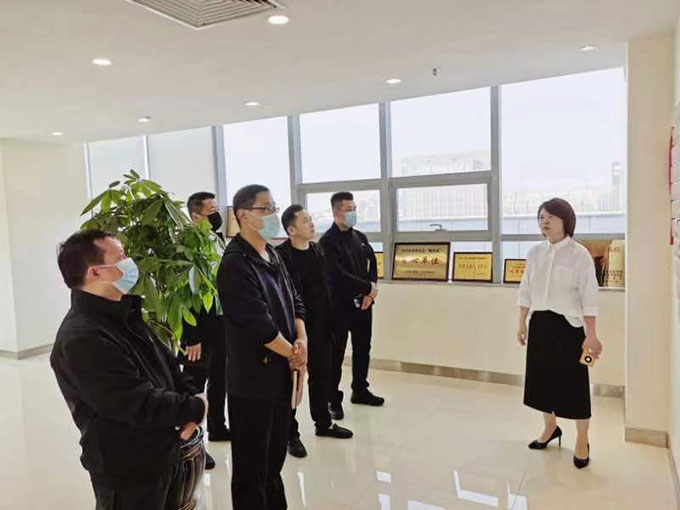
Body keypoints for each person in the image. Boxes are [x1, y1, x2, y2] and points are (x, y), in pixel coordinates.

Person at [51, 230, 207, 510]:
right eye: (121, 256)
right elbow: (135, 402)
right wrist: (195, 408)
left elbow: (168, 364)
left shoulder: (124, 313)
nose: (130, 262)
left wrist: (190, 395)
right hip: (128, 470)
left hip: (161, 453)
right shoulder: (82, 338)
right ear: (96, 272)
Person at [217, 185, 308, 510]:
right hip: (252, 383)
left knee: (273, 462)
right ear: (243, 215)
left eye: (274, 208)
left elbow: (295, 300)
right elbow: (258, 324)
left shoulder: (272, 253)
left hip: (281, 375)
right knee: (251, 469)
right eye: (265, 209)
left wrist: (301, 340)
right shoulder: (235, 264)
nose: (273, 215)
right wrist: (294, 354)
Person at [517, 198, 603, 469]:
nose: (545, 221)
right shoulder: (534, 253)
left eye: (551, 217)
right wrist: (521, 322)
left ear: (566, 221)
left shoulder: (579, 254)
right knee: (541, 382)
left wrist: (591, 335)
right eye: (541, 217)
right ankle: (550, 427)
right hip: (540, 325)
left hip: (570, 329)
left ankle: (582, 439)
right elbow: (526, 290)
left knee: (575, 386)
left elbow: (589, 297)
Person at [277, 205, 354, 458]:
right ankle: (291, 434)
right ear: (291, 230)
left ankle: (323, 423)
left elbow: (326, 287)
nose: (311, 224)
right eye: (305, 220)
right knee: (293, 383)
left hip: (322, 328)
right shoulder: (281, 257)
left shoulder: (318, 251)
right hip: (294, 331)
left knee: (321, 378)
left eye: (311, 219)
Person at [320, 191, 383, 421]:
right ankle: (332, 399)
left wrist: (370, 292)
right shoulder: (327, 242)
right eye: (349, 210)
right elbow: (337, 275)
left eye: (354, 209)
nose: (353, 213)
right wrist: (367, 287)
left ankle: (360, 389)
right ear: (336, 212)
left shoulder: (360, 237)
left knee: (363, 348)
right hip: (339, 306)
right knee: (336, 354)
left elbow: (372, 264)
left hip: (363, 304)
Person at [182, 193, 230, 469]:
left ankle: (218, 427)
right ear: (196, 215)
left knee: (220, 378)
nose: (216, 213)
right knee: (195, 384)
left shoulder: (217, 239)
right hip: (199, 329)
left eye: (216, 208)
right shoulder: (187, 245)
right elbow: (184, 294)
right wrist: (192, 337)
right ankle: (195, 441)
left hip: (221, 322)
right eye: (211, 210)